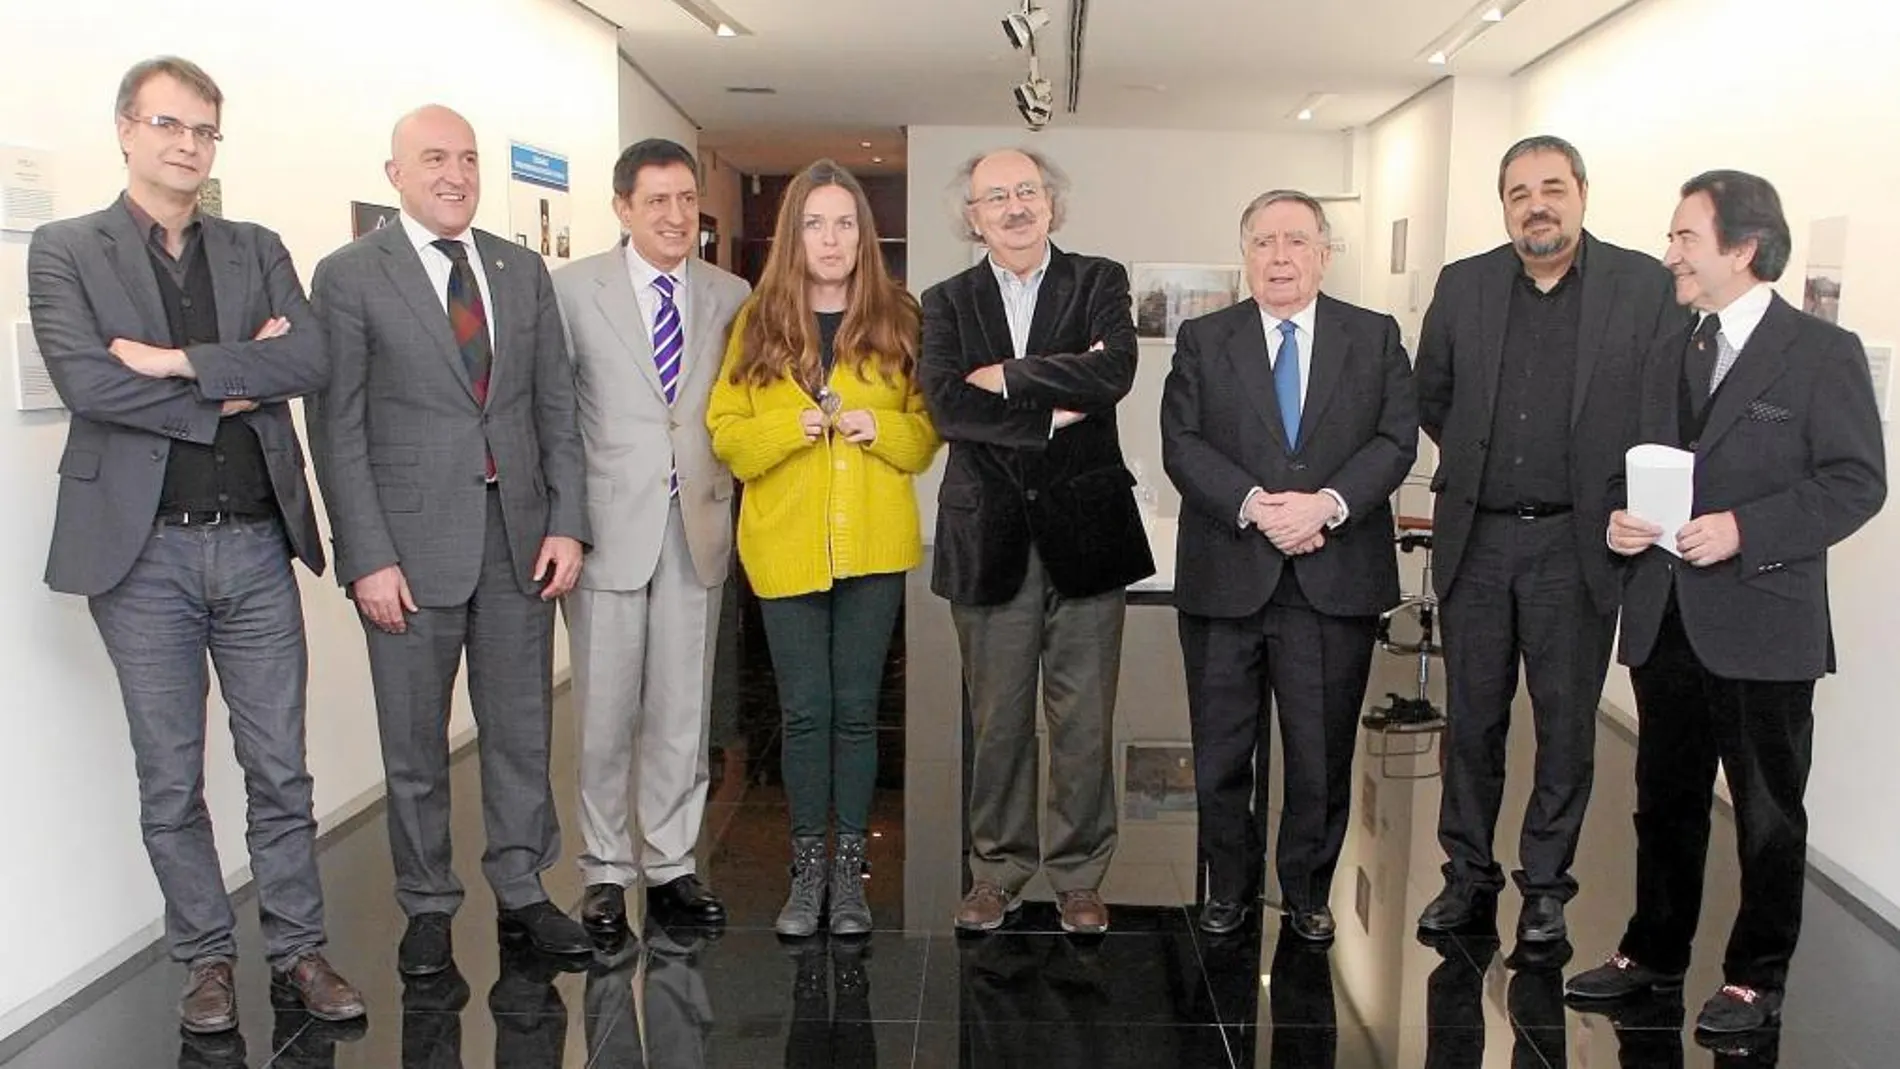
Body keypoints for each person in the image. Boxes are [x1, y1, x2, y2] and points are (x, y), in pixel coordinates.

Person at [27, 55, 363, 1034]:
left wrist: (176, 364)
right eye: (169, 125)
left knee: (279, 767)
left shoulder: (255, 247)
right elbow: (91, 387)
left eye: (204, 130)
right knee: (169, 774)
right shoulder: (65, 250)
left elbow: (309, 356)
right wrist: (232, 383)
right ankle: (205, 958)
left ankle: (299, 949)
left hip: (255, 543)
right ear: (126, 130)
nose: (186, 144)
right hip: (141, 559)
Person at [1566, 170, 1886, 1036]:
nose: (1668, 253)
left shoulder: (1822, 353)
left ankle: (1756, 975)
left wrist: (1746, 527)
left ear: (1742, 249)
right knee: (1662, 798)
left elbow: (1857, 483)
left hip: (1764, 623)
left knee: (1768, 810)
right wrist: (1618, 523)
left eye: (1683, 239)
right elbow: (1615, 468)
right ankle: (1654, 952)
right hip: (1666, 613)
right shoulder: (1668, 347)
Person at [308, 104, 591, 975]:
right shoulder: (351, 274)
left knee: (520, 730)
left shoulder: (518, 269)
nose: (455, 174)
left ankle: (522, 888)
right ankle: (427, 904)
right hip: (407, 554)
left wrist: (567, 522)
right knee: (415, 743)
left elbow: (555, 406)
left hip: (519, 544)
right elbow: (337, 427)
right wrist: (367, 557)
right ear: (394, 174)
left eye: (467, 159)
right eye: (434, 159)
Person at [1414, 136, 1685, 944]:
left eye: (1553, 187)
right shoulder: (1463, 286)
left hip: (1580, 545)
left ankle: (1547, 887)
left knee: (1566, 725)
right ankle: (1466, 874)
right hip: (1479, 540)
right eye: (1519, 191)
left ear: (1582, 193)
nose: (1537, 203)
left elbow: (1666, 403)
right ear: (1503, 205)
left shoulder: (1642, 287)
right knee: (1471, 722)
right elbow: (1436, 395)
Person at [1161, 189, 1418, 943]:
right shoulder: (1204, 339)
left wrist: (1326, 504)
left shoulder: (1373, 337)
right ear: (1245, 255)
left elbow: (1394, 441)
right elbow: (1182, 443)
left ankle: (1307, 889)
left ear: (1324, 253)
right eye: (1264, 242)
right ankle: (1228, 888)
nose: (1279, 256)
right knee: (1219, 756)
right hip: (1226, 575)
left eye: (1296, 241)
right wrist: (1255, 504)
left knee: (1320, 756)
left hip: (1332, 581)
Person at [918, 148, 1154, 935]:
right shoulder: (945, 300)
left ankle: (1081, 875)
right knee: (999, 719)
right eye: (996, 196)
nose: (1015, 207)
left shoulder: (1099, 280)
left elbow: (1113, 371)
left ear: (1051, 201)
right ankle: (997, 871)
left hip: (1089, 532)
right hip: (988, 536)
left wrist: (1009, 378)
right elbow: (947, 407)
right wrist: (1051, 407)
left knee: (1085, 719)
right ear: (973, 216)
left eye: (1027, 191)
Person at [707, 160, 939, 937]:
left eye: (844, 223)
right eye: (815, 223)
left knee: (856, 715)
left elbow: (927, 433)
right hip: (783, 548)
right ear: (793, 234)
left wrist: (885, 428)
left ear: (863, 236)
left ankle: (849, 871)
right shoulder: (758, 321)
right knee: (805, 714)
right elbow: (727, 435)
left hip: (873, 547)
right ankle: (807, 871)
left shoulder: (898, 316)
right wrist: (789, 428)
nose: (831, 238)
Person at [551, 138, 751, 937]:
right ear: (623, 207)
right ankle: (604, 867)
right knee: (603, 709)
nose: (676, 216)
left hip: (695, 522)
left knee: (681, 707)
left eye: (686, 201)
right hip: (605, 528)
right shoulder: (569, 291)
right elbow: (553, 416)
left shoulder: (732, 293)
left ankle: (671, 862)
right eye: (657, 201)